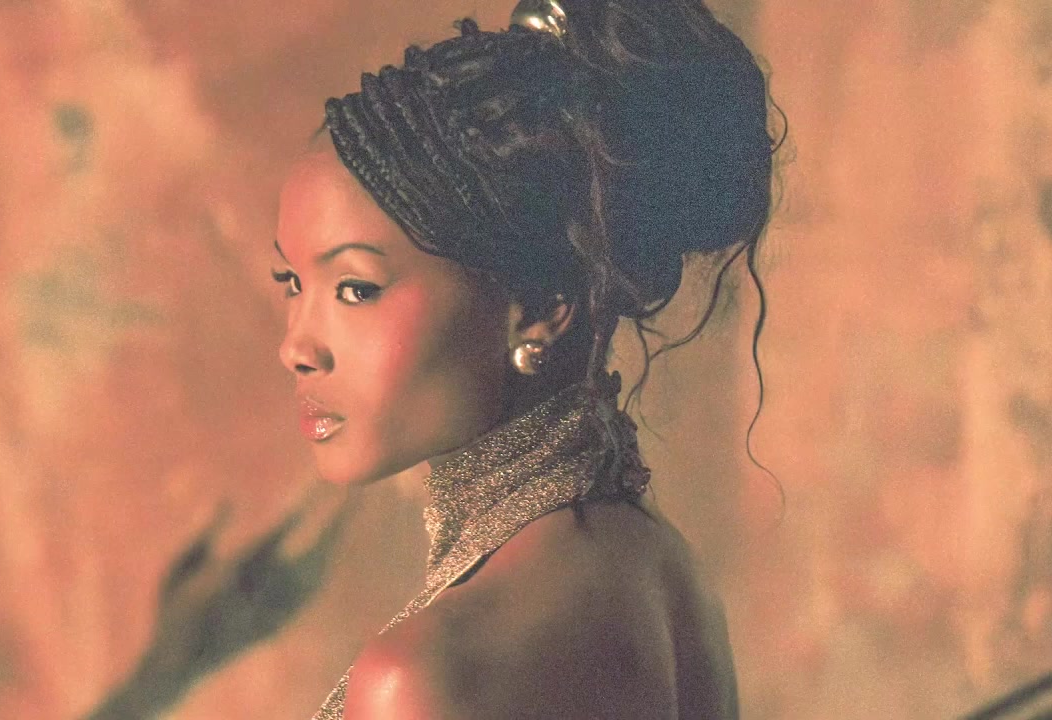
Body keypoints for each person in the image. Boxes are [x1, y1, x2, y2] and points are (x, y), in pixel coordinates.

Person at [271, 0, 780, 716]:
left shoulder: (422, 676)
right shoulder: (661, 572)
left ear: (539, 309)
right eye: (292, 282)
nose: (296, 348)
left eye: (356, 288)